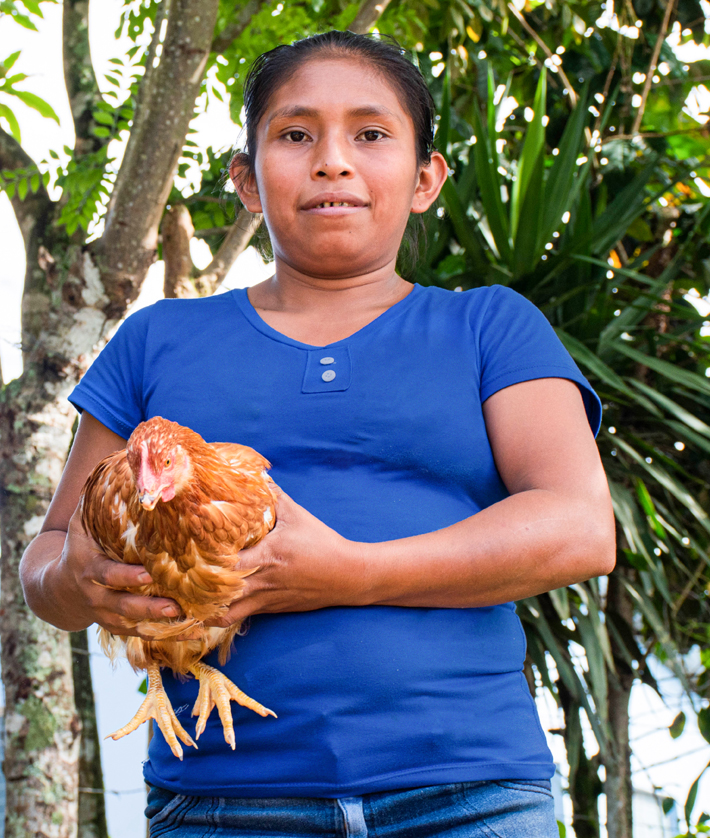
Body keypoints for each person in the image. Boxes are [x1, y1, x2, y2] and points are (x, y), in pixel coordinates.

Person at [20, 30, 615, 837]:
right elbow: (49, 555)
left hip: (466, 790)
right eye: (295, 135)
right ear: (247, 182)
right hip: (223, 802)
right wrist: (76, 580)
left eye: (371, 135)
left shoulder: (489, 328)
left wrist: (349, 571)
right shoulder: (157, 341)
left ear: (425, 179)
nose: (333, 160)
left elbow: (579, 528)